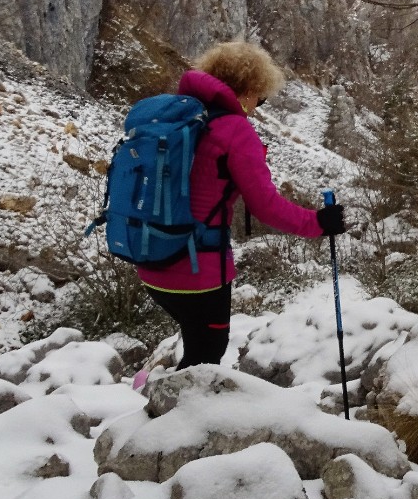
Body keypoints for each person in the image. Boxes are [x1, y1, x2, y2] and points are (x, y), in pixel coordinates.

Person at [138, 41, 346, 372]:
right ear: (248, 90)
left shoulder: (178, 116)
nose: (257, 108)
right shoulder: (234, 130)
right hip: (198, 270)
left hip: (151, 259)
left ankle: (164, 404)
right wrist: (320, 222)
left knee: (195, 345)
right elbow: (266, 207)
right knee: (205, 358)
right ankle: (169, 417)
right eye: (260, 99)